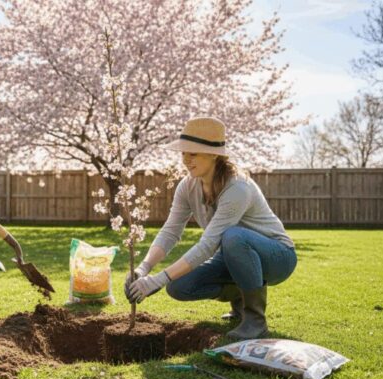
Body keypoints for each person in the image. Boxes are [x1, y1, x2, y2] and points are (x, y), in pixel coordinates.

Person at [125, 117, 297, 340]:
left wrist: (158, 280)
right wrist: (144, 268)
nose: (186, 160)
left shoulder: (237, 187)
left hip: (277, 257)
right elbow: (171, 231)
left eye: (193, 153)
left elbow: (207, 245)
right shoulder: (187, 186)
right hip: (232, 254)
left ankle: (255, 321)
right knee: (178, 286)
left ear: (214, 154)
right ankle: (239, 299)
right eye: (183, 153)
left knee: (233, 237)